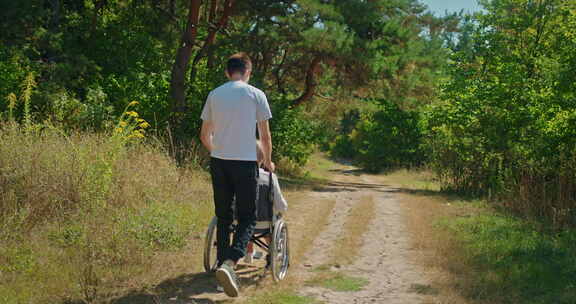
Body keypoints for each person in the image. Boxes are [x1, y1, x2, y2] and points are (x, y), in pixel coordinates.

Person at [200, 52, 274, 298]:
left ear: (227, 72)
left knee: (223, 217)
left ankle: (221, 275)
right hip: (245, 163)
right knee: (248, 218)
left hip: (219, 163)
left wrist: (218, 152)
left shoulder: (215, 94)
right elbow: (264, 137)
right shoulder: (256, 95)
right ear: (248, 71)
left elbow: (204, 136)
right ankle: (230, 262)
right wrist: (267, 160)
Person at [244, 141, 288, 265]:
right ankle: (272, 252)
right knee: (270, 224)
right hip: (264, 223)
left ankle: (248, 253)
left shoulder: (236, 177)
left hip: (239, 222)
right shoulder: (269, 177)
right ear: (262, 158)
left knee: (247, 213)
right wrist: (283, 209)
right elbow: (280, 205)